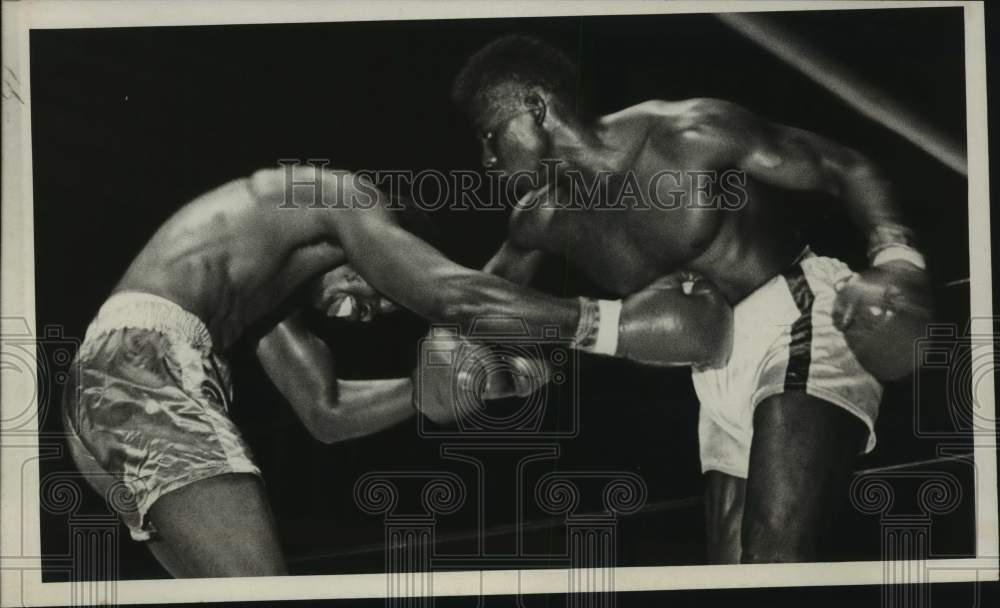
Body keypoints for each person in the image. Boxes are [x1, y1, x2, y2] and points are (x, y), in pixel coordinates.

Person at [62, 166, 733, 577]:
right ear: (381, 246)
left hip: (104, 395)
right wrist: (612, 322)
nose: (365, 314)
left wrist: (431, 391)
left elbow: (325, 413)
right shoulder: (343, 197)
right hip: (146, 371)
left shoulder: (264, 294)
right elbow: (449, 296)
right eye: (382, 289)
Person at [447, 34, 933, 563]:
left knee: (775, 556)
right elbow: (471, 302)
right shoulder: (541, 219)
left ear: (536, 107)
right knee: (732, 575)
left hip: (799, 316)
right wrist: (467, 356)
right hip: (712, 368)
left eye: (490, 135)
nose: (487, 158)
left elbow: (843, 167)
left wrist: (897, 260)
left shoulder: (686, 133)